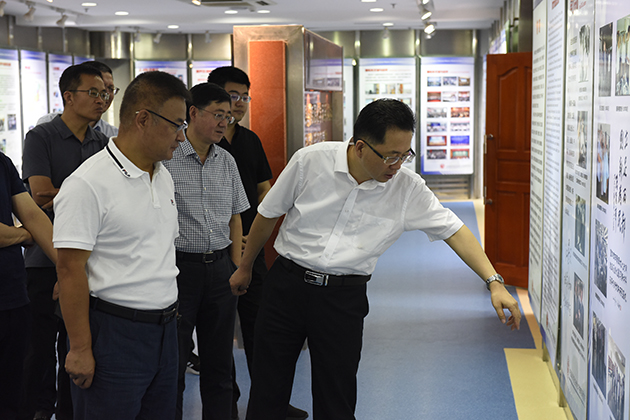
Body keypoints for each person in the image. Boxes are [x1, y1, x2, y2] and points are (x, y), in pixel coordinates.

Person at [229, 99, 523, 420]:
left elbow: (455, 231)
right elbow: (268, 214)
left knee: (337, 398)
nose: (397, 165)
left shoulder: (407, 189)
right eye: (390, 156)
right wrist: (245, 266)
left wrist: (494, 282)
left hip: (343, 300)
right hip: (286, 287)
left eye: (405, 155)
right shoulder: (310, 161)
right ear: (359, 147)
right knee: (268, 391)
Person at [52, 71, 191, 420]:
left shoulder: (163, 175)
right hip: (113, 335)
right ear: (142, 119)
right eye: (176, 125)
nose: (182, 136)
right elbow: (69, 269)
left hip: (166, 332)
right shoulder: (88, 183)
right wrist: (80, 348)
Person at [207, 66, 308, 420]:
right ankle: (227, 403)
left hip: (252, 249)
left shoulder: (250, 140)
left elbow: (266, 189)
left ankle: (269, 402)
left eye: (244, 97)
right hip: (215, 250)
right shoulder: (202, 143)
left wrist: (257, 230)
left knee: (260, 329)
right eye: (232, 96)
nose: (239, 103)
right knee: (218, 333)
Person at [20, 62, 110, 420]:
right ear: (69, 97)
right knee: (37, 349)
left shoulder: (102, 143)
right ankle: (34, 410)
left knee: (75, 346)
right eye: (94, 93)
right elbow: (40, 196)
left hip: (88, 261)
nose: (102, 100)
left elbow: (109, 199)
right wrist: (87, 195)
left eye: (106, 93)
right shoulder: (41, 137)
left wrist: (72, 194)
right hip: (45, 260)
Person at [162, 82, 249, 420]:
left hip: (220, 270)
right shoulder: (167, 159)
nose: (224, 122)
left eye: (228, 116)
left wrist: (236, 267)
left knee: (220, 364)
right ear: (193, 113)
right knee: (174, 360)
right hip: (179, 270)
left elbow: (235, 217)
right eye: (217, 114)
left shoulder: (226, 160)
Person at [0, 152, 57, 420]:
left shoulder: (2, 163)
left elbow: (33, 215)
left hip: (13, 299)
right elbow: (29, 227)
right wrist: (23, 234)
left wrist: (67, 270)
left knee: (12, 400)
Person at [37, 61, 119, 138]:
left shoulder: (112, 136)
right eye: (94, 92)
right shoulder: (45, 127)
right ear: (69, 97)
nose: (104, 97)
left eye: (110, 89)